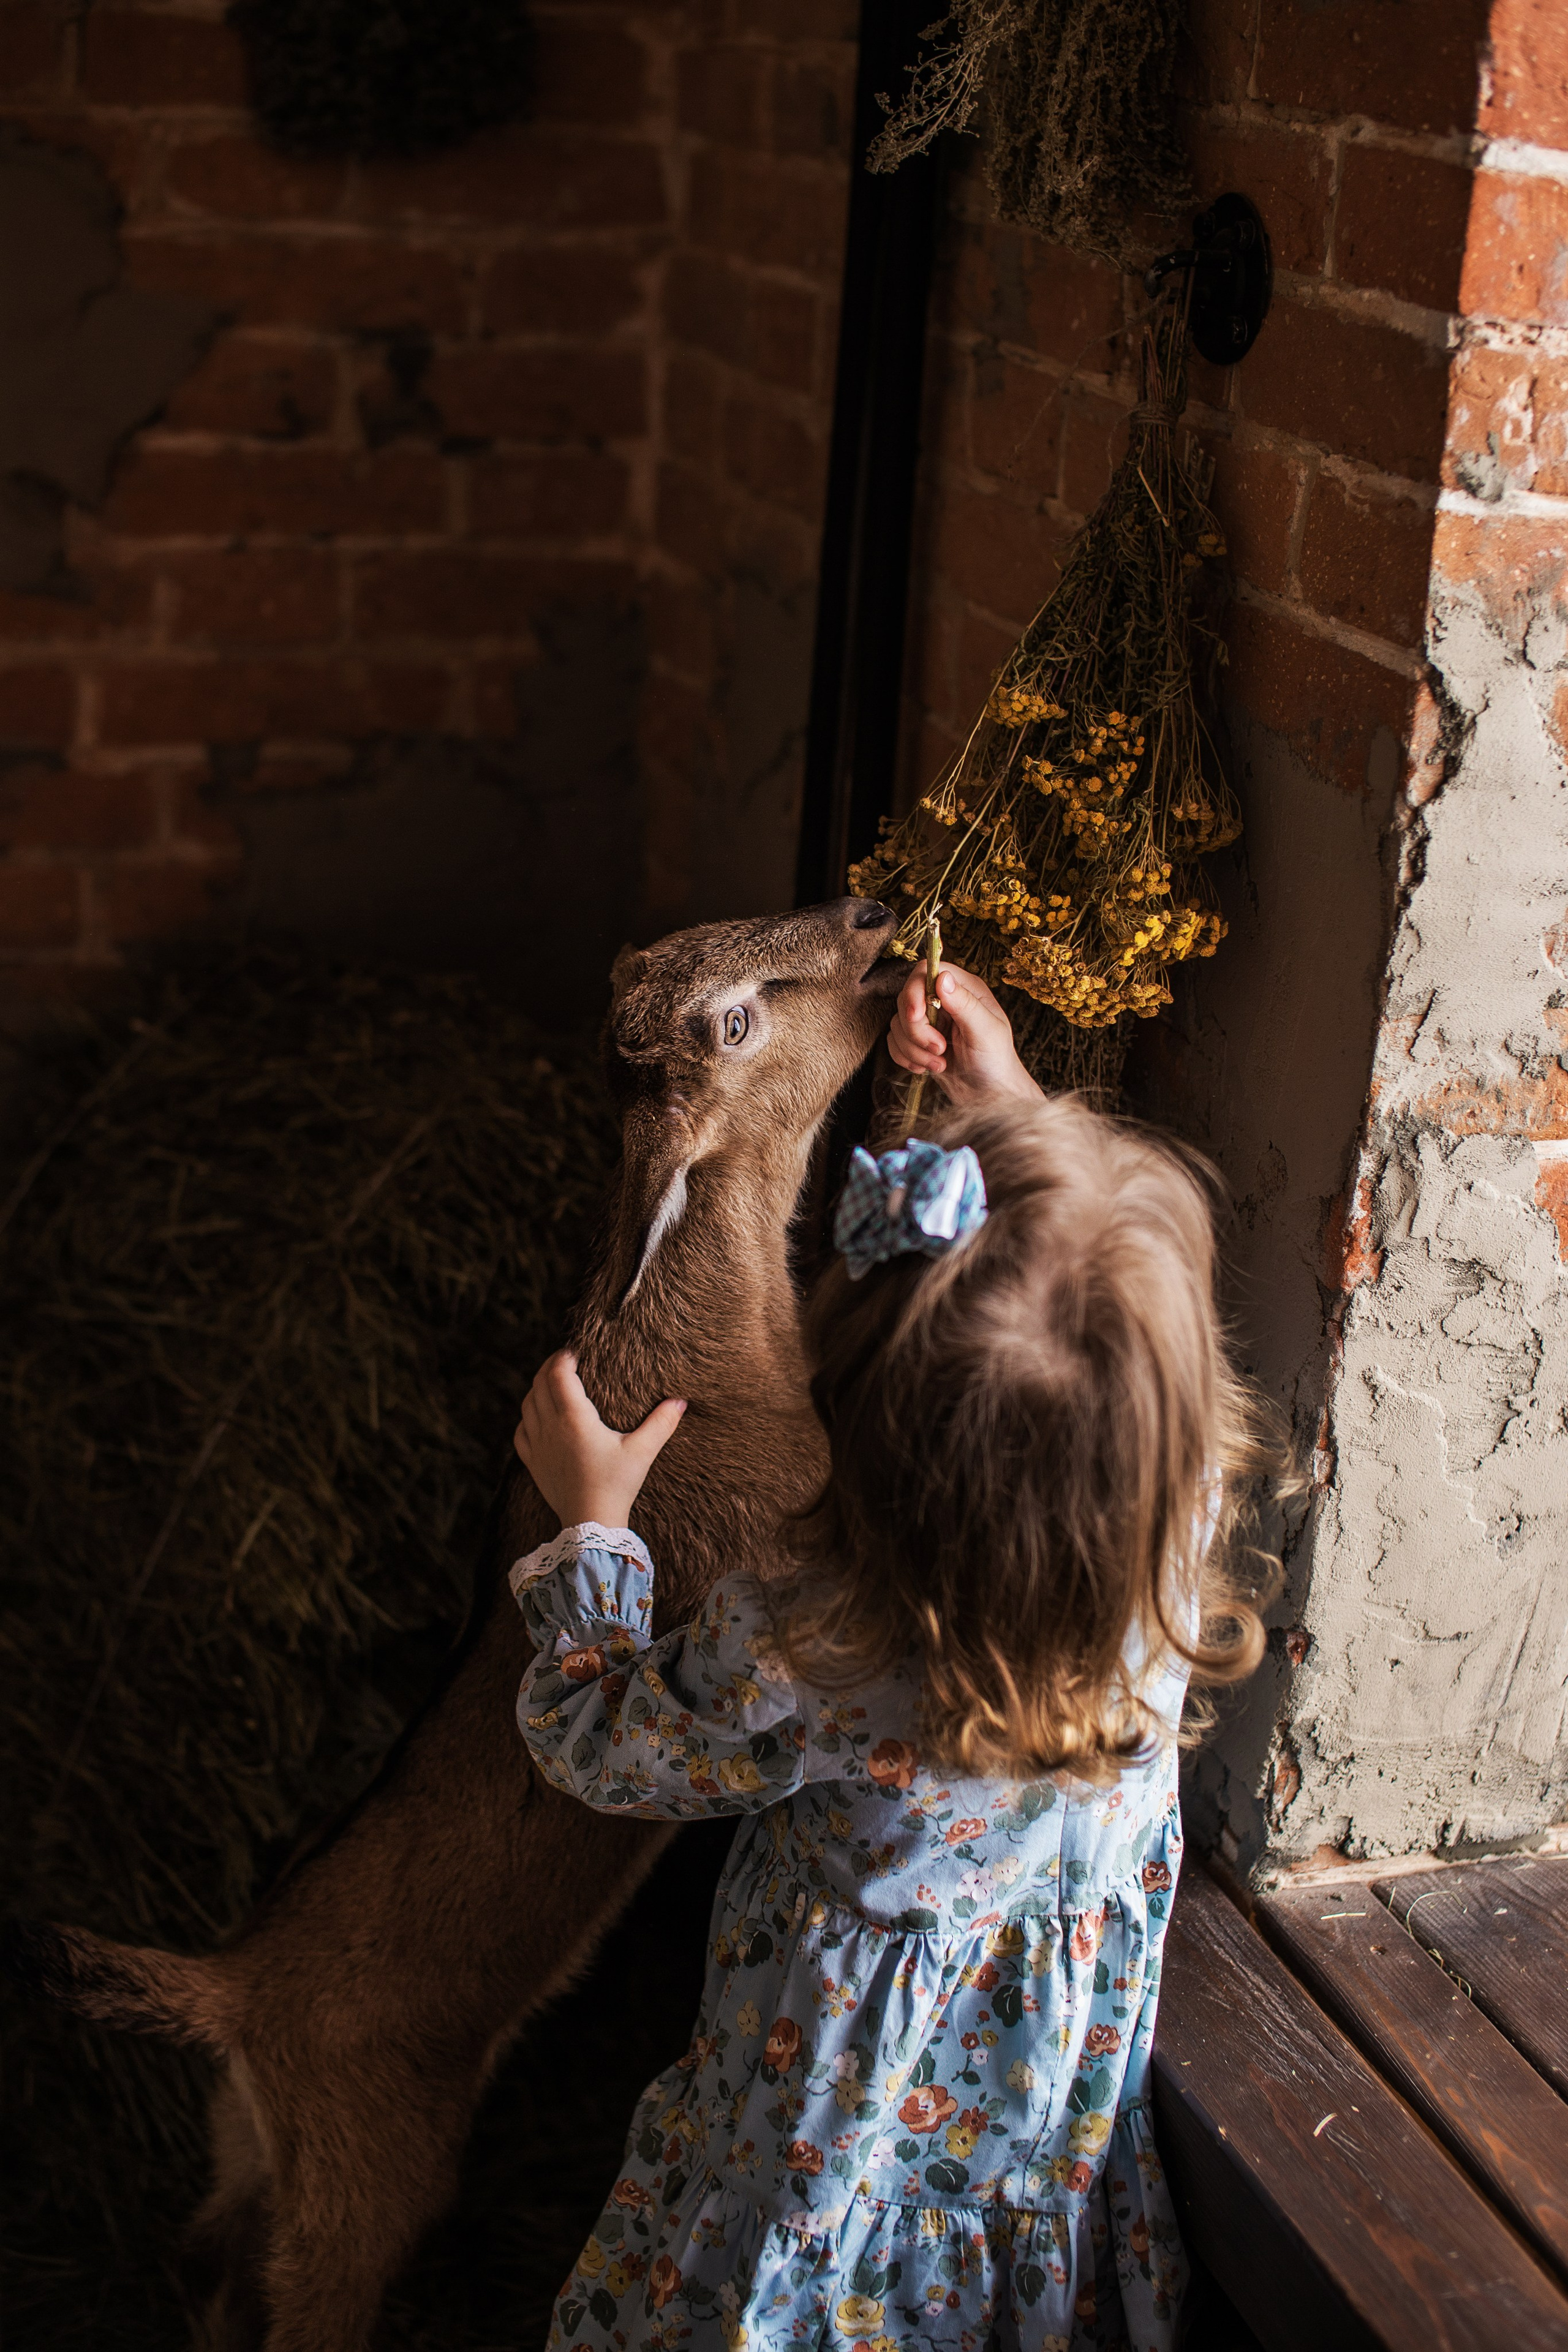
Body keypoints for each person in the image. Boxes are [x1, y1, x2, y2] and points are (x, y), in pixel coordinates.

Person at [510, 962, 1274, 2352]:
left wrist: (593, 1531)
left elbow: (600, 1745)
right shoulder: (1171, 1552)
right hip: (1027, 2163)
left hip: (811, 2170)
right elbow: (1101, 1339)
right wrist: (1014, 1114)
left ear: (850, 1419)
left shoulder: (810, 1648)